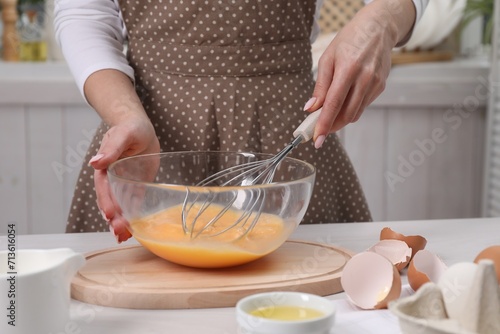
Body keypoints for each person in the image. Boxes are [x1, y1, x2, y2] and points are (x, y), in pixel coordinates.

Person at [55, 0, 428, 242]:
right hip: (147, 142)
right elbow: (83, 12)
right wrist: (124, 114)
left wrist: (382, 19)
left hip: (287, 141)